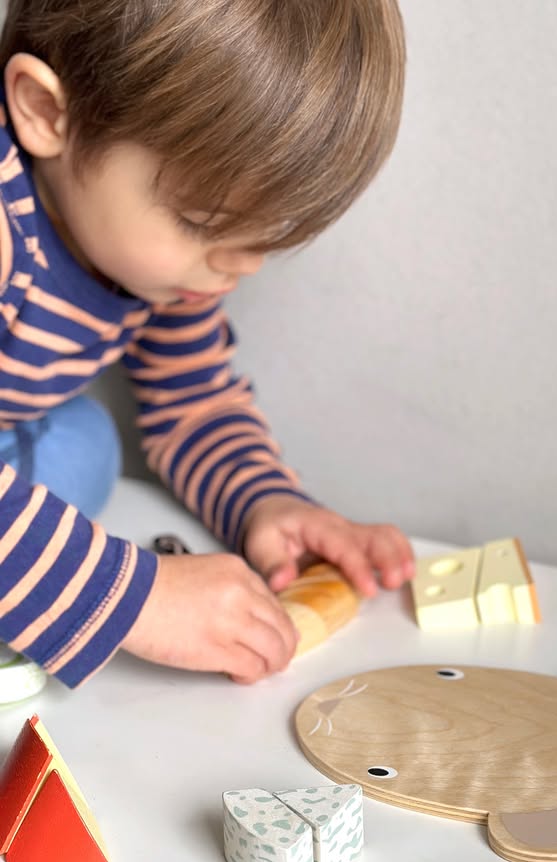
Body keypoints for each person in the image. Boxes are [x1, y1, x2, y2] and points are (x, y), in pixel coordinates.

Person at [0, 0, 414, 689]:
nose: (240, 266)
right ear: (46, 113)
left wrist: (266, 503)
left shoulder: (173, 270)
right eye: (201, 221)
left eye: (264, 233)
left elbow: (192, 403)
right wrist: (134, 598)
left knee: (85, 448)